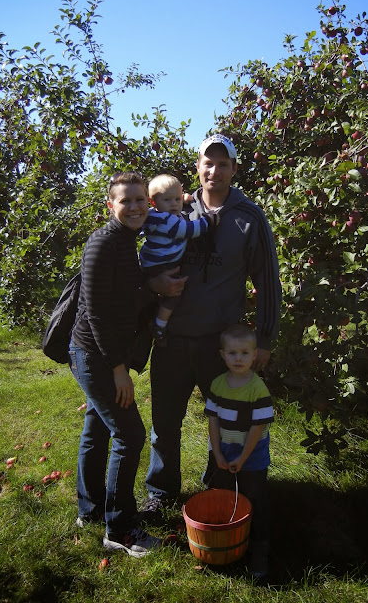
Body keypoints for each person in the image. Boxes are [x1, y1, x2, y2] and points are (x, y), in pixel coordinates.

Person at [141, 133, 281, 519]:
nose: (214, 170)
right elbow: (146, 258)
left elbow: (267, 279)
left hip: (219, 343)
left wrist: (265, 337)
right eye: (208, 162)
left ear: (234, 169)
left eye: (223, 163)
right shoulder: (177, 208)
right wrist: (154, 284)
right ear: (198, 167)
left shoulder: (249, 217)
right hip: (171, 337)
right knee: (164, 421)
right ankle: (161, 490)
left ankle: (221, 484)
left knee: (226, 418)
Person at [68, 172, 183, 558]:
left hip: (101, 353)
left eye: (139, 200)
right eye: (125, 201)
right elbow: (97, 313)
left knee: (97, 428)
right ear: (110, 205)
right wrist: (118, 369)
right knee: (131, 435)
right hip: (94, 354)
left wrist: (154, 287)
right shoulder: (103, 242)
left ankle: (90, 510)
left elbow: (127, 292)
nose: (134, 207)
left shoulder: (127, 241)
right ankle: (120, 529)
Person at [202, 323, 274, 578]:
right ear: (222, 355)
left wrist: (243, 458)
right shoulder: (218, 384)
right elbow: (213, 421)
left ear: (254, 355)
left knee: (254, 497)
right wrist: (217, 454)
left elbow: (257, 427)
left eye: (245, 353)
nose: (238, 358)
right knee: (223, 493)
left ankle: (258, 547)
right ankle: (225, 537)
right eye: (232, 353)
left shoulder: (257, 389)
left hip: (251, 456)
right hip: (223, 451)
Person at [139, 173, 213, 347]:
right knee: (174, 294)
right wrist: (208, 221)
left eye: (177, 199)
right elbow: (189, 230)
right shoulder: (166, 220)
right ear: (153, 202)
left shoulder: (154, 214)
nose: (174, 204)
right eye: (168, 200)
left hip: (151, 262)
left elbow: (173, 202)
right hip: (161, 265)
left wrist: (183, 199)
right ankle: (159, 325)